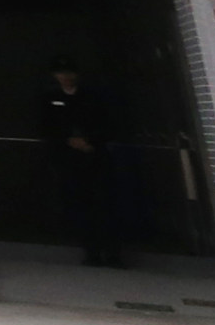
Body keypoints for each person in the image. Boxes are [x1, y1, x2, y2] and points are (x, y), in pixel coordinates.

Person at [40, 59, 143, 269]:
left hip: (96, 156)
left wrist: (91, 141)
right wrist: (67, 140)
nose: (66, 77)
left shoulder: (93, 96)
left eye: (69, 72)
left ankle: (113, 253)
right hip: (68, 160)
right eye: (61, 73)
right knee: (80, 206)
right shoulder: (49, 98)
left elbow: (109, 123)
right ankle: (92, 252)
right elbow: (44, 126)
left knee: (105, 204)